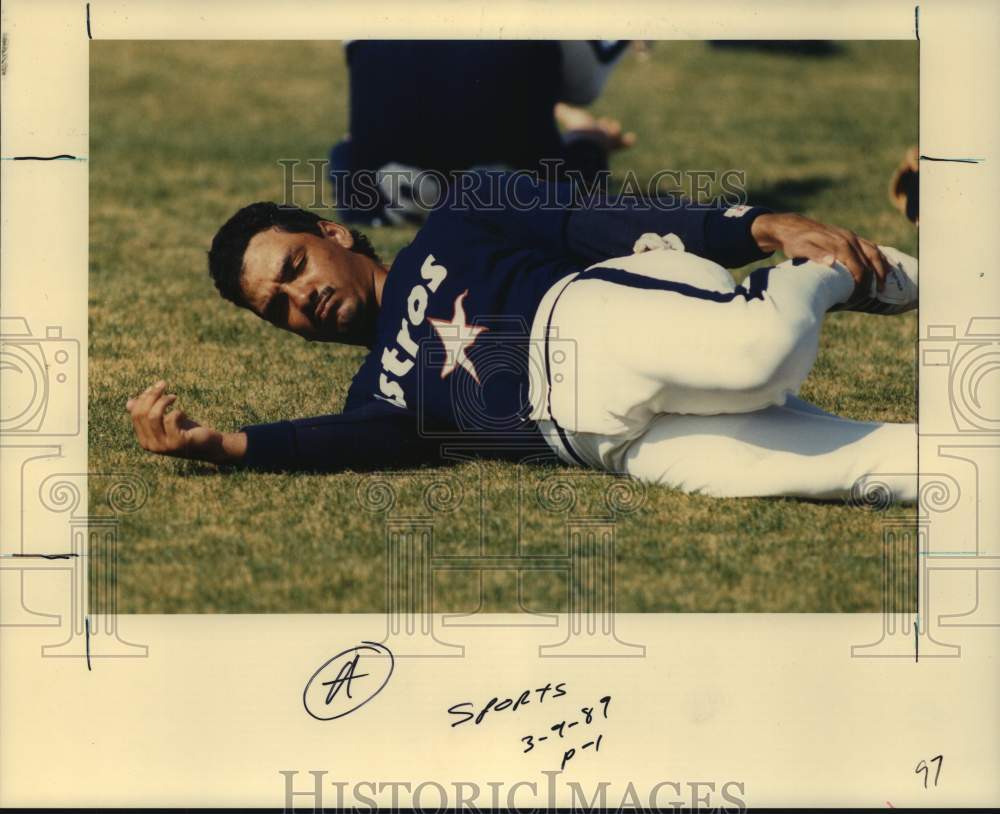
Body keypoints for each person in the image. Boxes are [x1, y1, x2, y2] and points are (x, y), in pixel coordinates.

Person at [126, 174, 918, 502]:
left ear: (334, 232)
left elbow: (595, 220)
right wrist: (220, 445)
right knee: (865, 472)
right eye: (280, 305)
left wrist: (758, 224)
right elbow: (334, 444)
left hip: (600, 324)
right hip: (604, 442)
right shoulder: (382, 397)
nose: (304, 297)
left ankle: (840, 273)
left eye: (296, 265)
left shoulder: (461, 214)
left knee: (760, 354)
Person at [330, 40, 634, 225]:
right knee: (577, 170)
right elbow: (584, 88)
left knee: (348, 149)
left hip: (387, 200)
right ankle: (585, 134)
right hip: (519, 195)